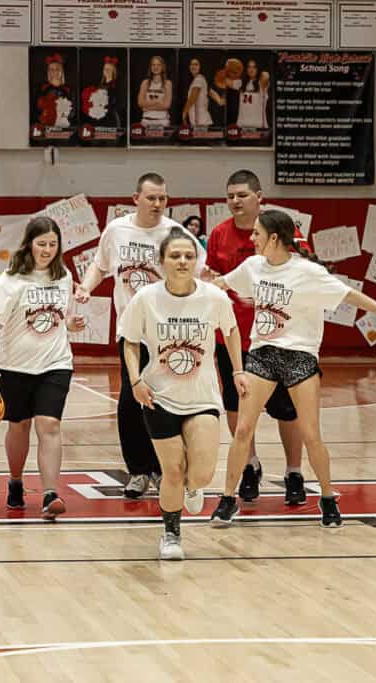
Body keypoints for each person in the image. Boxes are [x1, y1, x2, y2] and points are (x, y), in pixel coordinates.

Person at [210, 210, 376, 528]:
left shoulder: (308, 272)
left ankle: (327, 499)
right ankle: (228, 500)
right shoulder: (253, 266)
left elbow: (349, 294)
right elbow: (221, 284)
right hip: (261, 354)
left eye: (257, 233)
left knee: (311, 435)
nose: (252, 238)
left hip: (299, 357)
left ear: (275, 237)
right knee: (243, 430)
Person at [76, 173, 205, 498]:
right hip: (131, 331)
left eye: (162, 198)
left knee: (167, 402)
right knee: (131, 401)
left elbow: (199, 276)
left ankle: (165, 469)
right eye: (151, 198)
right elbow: (99, 265)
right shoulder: (117, 230)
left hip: (169, 332)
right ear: (136, 199)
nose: (158, 204)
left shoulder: (176, 234)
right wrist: (85, 288)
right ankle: (137, 470)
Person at [118, 228, 244, 560]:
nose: (182, 261)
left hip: (202, 396)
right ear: (161, 262)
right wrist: (135, 381)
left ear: (197, 261)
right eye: (175, 255)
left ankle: (192, 487)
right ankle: (171, 535)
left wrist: (237, 370)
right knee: (171, 470)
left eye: (189, 255)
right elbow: (129, 341)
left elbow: (230, 331)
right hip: (158, 395)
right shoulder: (145, 298)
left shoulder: (214, 298)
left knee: (201, 473)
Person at [208, 170, 310, 505]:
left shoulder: (286, 228)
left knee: (287, 410)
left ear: (259, 197)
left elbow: (308, 270)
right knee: (238, 408)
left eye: (241, 195)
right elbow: (212, 282)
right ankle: (249, 466)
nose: (235, 201)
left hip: (279, 338)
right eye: (230, 196)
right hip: (234, 340)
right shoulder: (219, 235)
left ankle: (294, 471)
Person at [0, 217, 86, 519]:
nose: (48, 250)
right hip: (14, 366)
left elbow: (60, 315)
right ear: (29, 244)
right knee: (19, 426)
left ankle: (51, 493)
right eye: (42, 244)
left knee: (49, 425)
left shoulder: (63, 275)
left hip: (55, 363)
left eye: (53, 244)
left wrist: (70, 323)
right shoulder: (10, 280)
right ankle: (15, 481)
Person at [36, 53, 74, 129]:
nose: (54, 72)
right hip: (46, 125)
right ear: (48, 71)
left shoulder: (68, 89)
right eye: (51, 69)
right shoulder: (43, 88)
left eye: (57, 69)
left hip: (63, 125)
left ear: (61, 71)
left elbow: (72, 110)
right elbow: (37, 109)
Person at [81, 55, 121, 128]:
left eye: (109, 69)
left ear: (113, 71)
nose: (106, 71)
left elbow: (116, 104)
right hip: (100, 120)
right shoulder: (100, 86)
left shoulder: (118, 85)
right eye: (105, 69)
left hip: (111, 119)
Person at [181, 57, 222, 127]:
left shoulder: (199, 79)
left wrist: (184, 113)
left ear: (200, 67)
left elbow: (192, 99)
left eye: (196, 64)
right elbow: (214, 95)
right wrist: (219, 100)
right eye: (191, 64)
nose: (193, 66)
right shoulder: (201, 79)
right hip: (201, 121)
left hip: (200, 122)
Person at [137, 55, 172, 128]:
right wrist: (157, 102)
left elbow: (166, 105)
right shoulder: (145, 82)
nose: (156, 67)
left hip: (162, 122)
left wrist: (147, 108)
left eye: (158, 65)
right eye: (153, 65)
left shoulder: (167, 83)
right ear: (150, 67)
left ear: (162, 67)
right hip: (146, 121)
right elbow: (140, 102)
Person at [234, 59, 269, 129]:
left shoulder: (261, 82)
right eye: (249, 67)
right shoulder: (241, 83)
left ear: (258, 69)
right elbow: (226, 81)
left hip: (258, 126)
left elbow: (266, 75)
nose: (251, 69)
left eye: (254, 67)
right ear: (246, 69)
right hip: (242, 125)